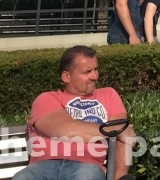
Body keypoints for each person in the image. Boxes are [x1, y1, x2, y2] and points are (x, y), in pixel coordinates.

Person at [14, 45, 135, 180]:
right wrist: (113, 129)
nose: (94, 76)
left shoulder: (108, 95)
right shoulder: (47, 99)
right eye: (87, 72)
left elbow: (123, 138)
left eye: (96, 69)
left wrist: (118, 178)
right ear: (66, 76)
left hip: (86, 166)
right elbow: (66, 130)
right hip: (44, 166)